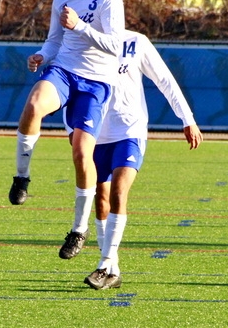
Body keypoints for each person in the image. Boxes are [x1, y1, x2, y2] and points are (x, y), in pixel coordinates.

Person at [9, 0, 126, 258]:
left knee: (80, 152)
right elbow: (54, 41)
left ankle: (78, 229)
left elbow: (115, 46)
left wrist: (82, 26)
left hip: (96, 83)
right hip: (63, 72)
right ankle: (22, 177)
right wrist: (41, 56)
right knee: (33, 105)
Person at [71, 30, 202, 290]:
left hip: (130, 131)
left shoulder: (136, 42)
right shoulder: (83, 41)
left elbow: (165, 79)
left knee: (119, 192)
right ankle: (113, 270)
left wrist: (187, 119)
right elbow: (71, 90)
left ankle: (103, 264)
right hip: (97, 134)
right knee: (102, 200)